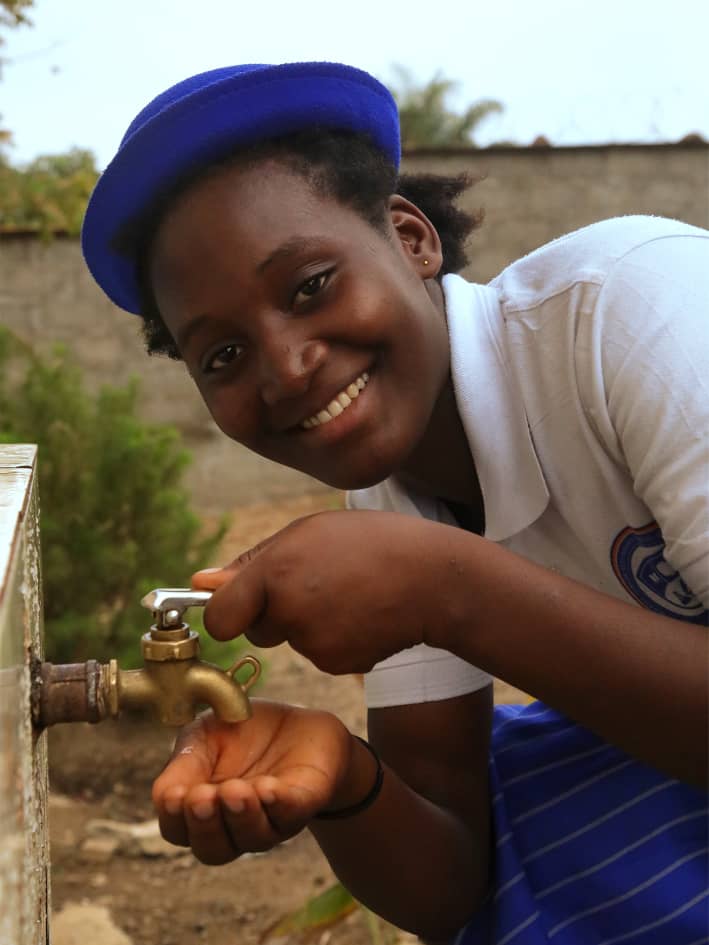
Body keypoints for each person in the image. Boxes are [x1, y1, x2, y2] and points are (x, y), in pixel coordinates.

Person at [81, 62, 709, 944]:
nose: (287, 365)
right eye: (221, 355)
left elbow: (455, 590)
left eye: (309, 286)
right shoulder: (390, 496)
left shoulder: (630, 311)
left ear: (411, 238)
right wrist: (343, 779)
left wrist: (450, 588)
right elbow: (455, 883)